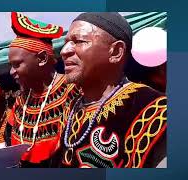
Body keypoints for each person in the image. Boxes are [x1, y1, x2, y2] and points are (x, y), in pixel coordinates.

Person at [55, 12, 167, 168]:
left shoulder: (155, 111)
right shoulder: (71, 107)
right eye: (66, 42)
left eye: (78, 41)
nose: (64, 51)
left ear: (116, 52)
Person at [7, 12, 80, 167]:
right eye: (11, 66)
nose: (12, 72)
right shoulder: (22, 99)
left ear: (42, 59)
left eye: (17, 64)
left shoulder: (73, 91)